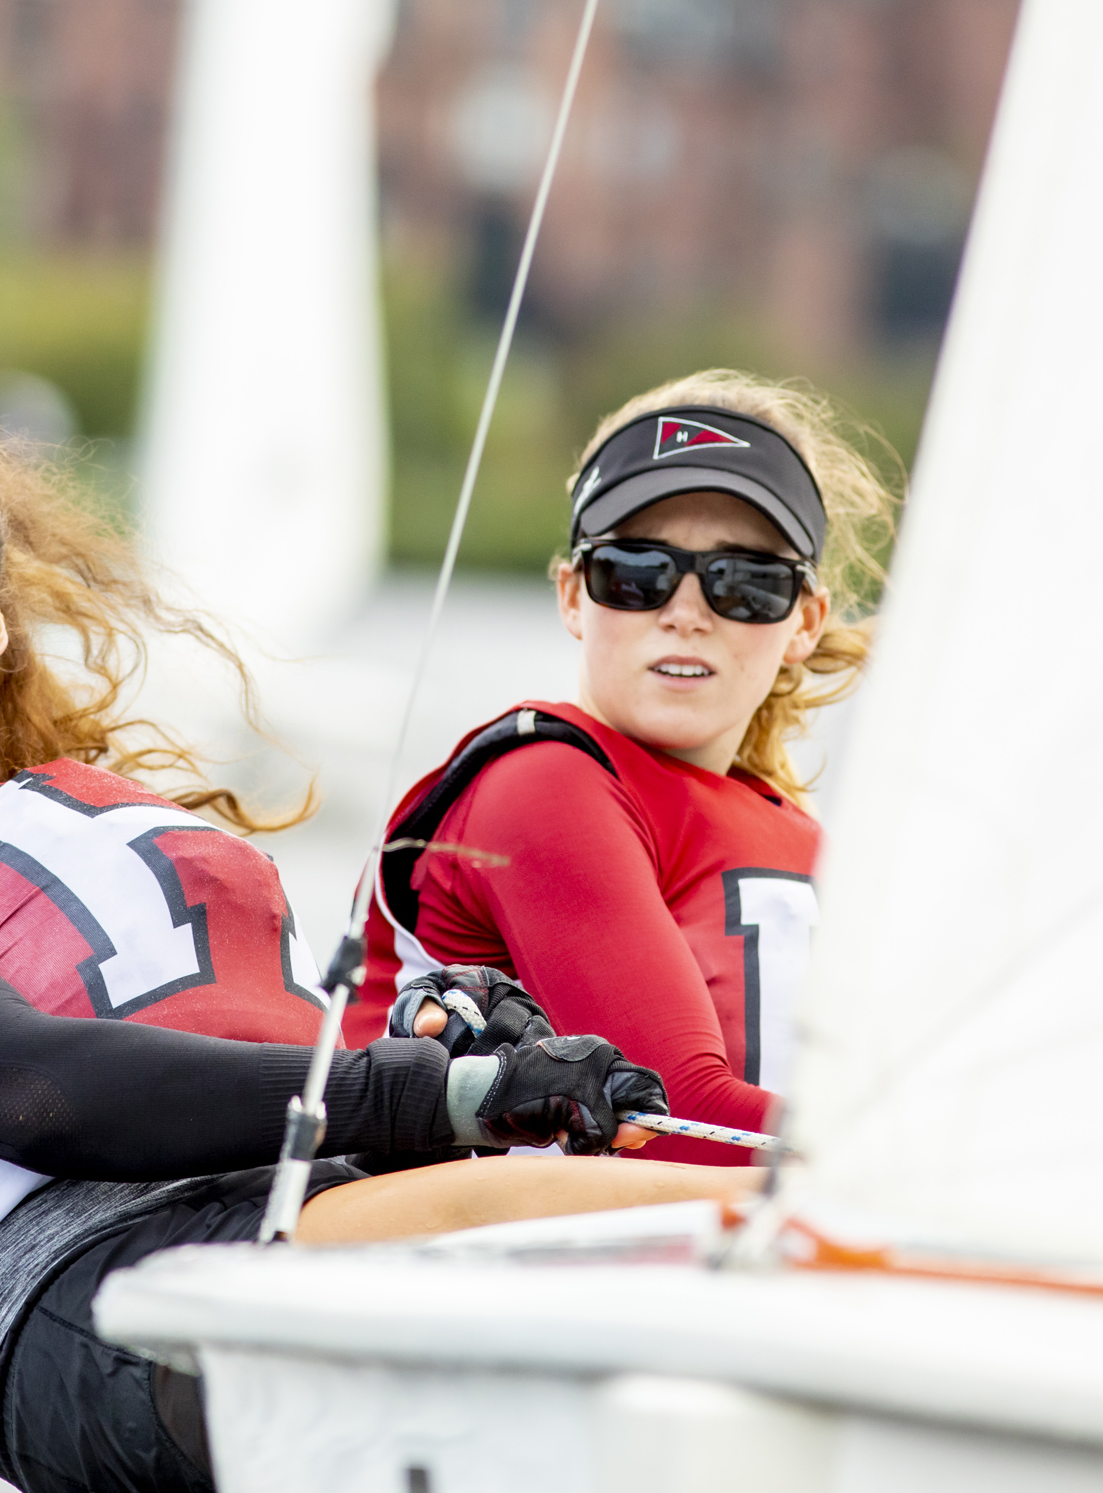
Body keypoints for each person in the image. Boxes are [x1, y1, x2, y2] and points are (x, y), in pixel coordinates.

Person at [0, 398, 763, 1493]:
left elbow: (281, 1081)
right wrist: (452, 1092)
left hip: (254, 1230)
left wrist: (440, 1034)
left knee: (716, 1244)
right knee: (743, 1239)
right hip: (70, 1300)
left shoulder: (77, 832)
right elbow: (33, 1088)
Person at [345, 371, 898, 1167]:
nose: (685, 609)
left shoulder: (800, 833)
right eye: (635, 572)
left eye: (745, 582)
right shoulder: (542, 783)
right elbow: (671, 1118)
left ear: (804, 620)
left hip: (727, 1259)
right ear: (574, 596)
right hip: (474, 1265)